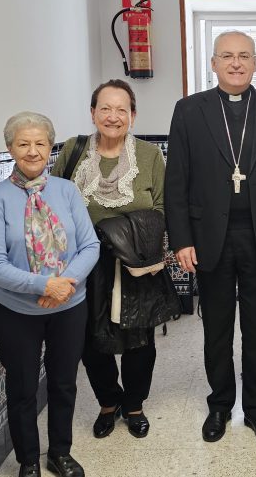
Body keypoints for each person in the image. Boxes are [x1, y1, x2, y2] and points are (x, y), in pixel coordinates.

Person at [165, 30, 256, 447]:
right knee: (218, 329)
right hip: (211, 236)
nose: (236, 63)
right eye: (227, 56)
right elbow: (177, 182)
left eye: (244, 56)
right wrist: (182, 240)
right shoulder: (189, 111)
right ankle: (221, 405)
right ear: (213, 63)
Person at [0, 112, 100, 477]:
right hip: (16, 312)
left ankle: (60, 453)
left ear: (50, 147)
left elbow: (90, 246)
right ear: (10, 149)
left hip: (69, 306)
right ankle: (28, 460)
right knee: (22, 389)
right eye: (23, 144)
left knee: (64, 383)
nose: (32, 152)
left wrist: (65, 286)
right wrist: (43, 286)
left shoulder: (66, 191)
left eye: (40, 143)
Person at [51, 79, 170, 441]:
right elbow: (53, 202)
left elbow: (163, 207)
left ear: (133, 116)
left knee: (139, 340)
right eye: (105, 108)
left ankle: (134, 405)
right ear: (93, 113)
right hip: (83, 265)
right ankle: (108, 402)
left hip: (134, 262)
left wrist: (124, 231)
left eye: (122, 110)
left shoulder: (149, 156)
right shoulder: (73, 150)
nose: (113, 117)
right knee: (90, 339)